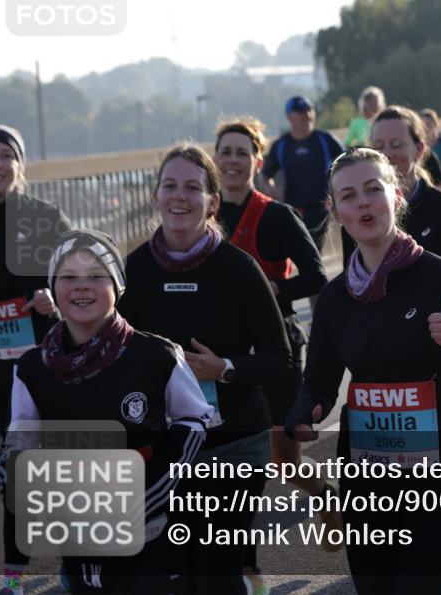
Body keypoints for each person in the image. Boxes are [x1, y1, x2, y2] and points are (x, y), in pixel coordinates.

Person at [286, 148, 441, 594]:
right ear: (336, 211)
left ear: (396, 196)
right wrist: (305, 411)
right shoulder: (335, 299)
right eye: (350, 196)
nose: (364, 204)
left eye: (374, 190)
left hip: (438, 476)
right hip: (366, 479)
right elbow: (318, 381)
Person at [0, 229, 213, 594]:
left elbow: (195, 421)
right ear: (54, 288)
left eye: (96, 275)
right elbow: (22, 443)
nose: (82, 287)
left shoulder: (156, 355)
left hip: (152, 528)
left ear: (118, 286)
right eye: (68, 277)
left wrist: (152, 489)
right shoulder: (31, 367)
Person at [119, 145, 293, 594]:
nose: (180, 196)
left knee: (218, 565)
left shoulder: (239, 269)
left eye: (193, 187)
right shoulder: (132, 271)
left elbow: (279, 359)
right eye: (170, 186)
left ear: (212, 202)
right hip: (165, 444)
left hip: (234, 437)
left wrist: (226, 368)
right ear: (156, 196)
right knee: (173, 566)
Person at [212, 117, 341, 575]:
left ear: (257, 161)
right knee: (234, 469)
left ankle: (324, 495)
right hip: (218, 362)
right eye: (224, 152)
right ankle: (246, 573)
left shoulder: (275, 215)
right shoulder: (201, 216)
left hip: (273, 353)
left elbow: (315, 278)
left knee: (283, 463)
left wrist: (267, 289)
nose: (231, 160)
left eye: (241, 152)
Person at [0, 124, 71, 595]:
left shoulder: (42, 216)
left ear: (20, 165)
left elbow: (81, 273)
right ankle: (16, 568)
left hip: (42, 354)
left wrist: (53, 295)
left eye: (6, 155)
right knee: (17, 452)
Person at [341, 106, 441, 264]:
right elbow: (350, 282)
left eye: (397, 144)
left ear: (419, 150)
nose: (387, 154)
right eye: (378, 147)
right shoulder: (358, 215)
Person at [261, 96, 345, 250]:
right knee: (298, 255)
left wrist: (338, 193)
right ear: (289, 117)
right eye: (300, 112)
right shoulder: (282, 145)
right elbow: (264, 178)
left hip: (321, 210)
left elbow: (348, 165)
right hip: (293, 212)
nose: (306, 115)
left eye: (309, 110)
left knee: (313, 253)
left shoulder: (325, 140)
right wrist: (279, 197)